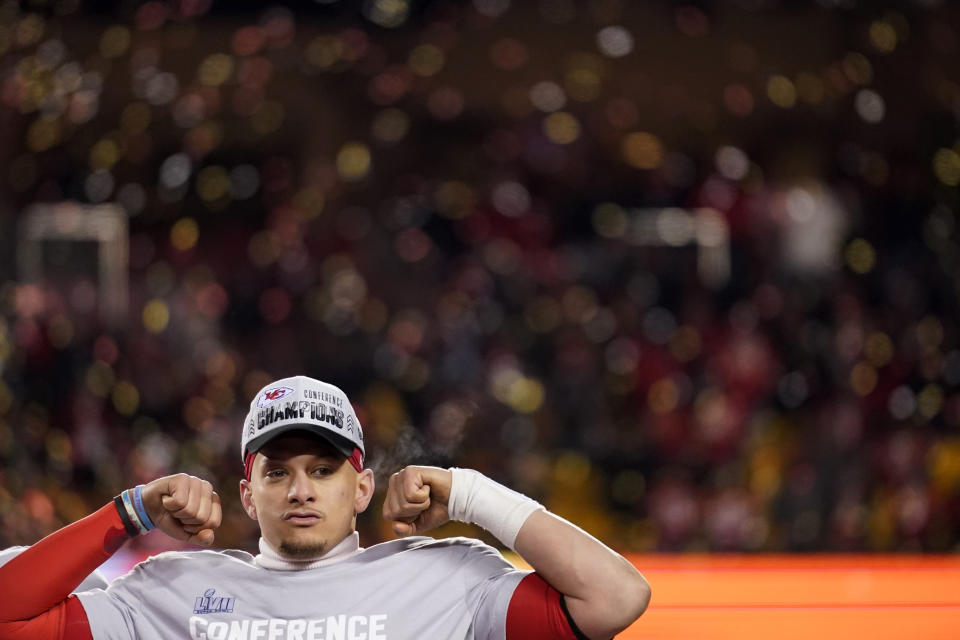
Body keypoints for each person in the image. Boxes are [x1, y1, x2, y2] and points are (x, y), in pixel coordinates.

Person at [0, 375, 651, 639]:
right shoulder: (172, 590)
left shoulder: (448, 579)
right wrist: (131, 511)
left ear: (362, 489)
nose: (302, 490)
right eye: (277, 473)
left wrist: (471, 494)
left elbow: (617, 597)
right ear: (248, 496)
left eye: (323, 470)